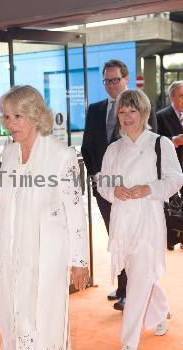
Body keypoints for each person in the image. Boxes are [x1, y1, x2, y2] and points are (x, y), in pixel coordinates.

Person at [0, 85, 89, 349]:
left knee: (44, 317)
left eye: (17, 116)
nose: (10, 123)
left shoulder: (61, 155)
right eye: (7, 117)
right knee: (13, 311)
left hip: (48, 253)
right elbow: (5, 206)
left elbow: (75, 211)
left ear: (34, 115)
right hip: (13, 251)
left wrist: (79, 261)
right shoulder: (10, 154)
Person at [97, 89, 183, 350]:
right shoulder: (114, 148)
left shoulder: (160, 143)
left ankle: (128, 342)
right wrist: (115, 190)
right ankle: (161, 311)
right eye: (121, 112)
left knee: (137, 281)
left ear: (143, 113)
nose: (126, 116)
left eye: (132, 111)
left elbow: (175, 178)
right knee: (139, 275)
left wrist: (149, 188)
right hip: (122, 220)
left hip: (149, 219)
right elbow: (103, 180)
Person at [81, 59, 157, 311]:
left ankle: (137, 292)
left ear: (126, 79)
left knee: (135, 241)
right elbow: (87, 148)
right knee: (117, 237)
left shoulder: (142, 106)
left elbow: (150, 147)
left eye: (115, 79)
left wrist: (140, 186)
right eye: (107, 80)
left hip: (135, 193)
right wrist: (97, 179)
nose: (111, 84)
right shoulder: (95, 109)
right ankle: (125, 287)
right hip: (106, 188)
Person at [157, 80, 183, 250]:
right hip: (171, 168)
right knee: (174, 205)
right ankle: (172, 238)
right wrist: (173, 140)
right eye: (181, 95)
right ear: (172, 96)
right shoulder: (160, 116)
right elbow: (156, 140)